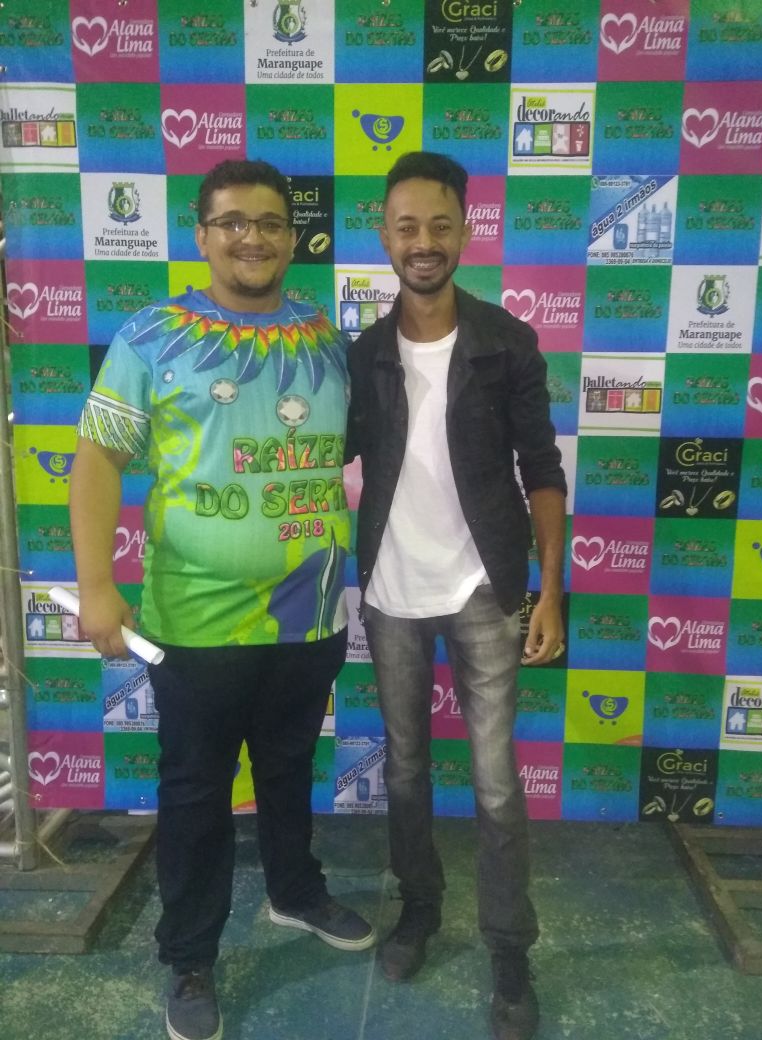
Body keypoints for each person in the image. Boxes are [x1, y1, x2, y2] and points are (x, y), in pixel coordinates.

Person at [70, 159, 375, 1040]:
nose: (253, 237)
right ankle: (190, 955)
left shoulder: (327, 340)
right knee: (197, 788)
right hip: (194, 620)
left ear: (293, 237)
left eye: (271, 222)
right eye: (233, 221)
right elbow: (96, 462)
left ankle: (295, 891)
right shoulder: (151, 337)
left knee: (288, 765)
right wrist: (96, 585)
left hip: (311, 611)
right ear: (201, 234)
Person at [346, 151, 567, 1040]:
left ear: (466, 232)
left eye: (440, 224)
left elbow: (542, 471)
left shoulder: (507, 341)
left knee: (496, 781)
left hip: (484, 587)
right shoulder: (364, 354)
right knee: (404, 768)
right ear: (384, 234)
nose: (424, 241)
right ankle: (420, 910)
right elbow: (318, 455)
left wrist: (549, 591)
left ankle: (509, 950)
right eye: (407, 226)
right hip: (390, 589)